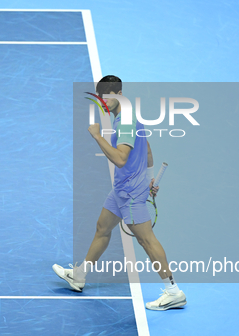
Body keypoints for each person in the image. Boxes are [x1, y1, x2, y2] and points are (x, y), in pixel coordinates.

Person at [53, 75, 186, 310]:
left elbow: (120, 159)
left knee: (146, 240)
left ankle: (173, 291)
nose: (102, 104)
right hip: (122, 189)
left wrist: (97, 136)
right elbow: (148, 150)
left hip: (130, 194)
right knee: (102, 228)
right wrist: (149, 179)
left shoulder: (124, 122)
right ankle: (79, 276)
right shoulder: (127, 116)